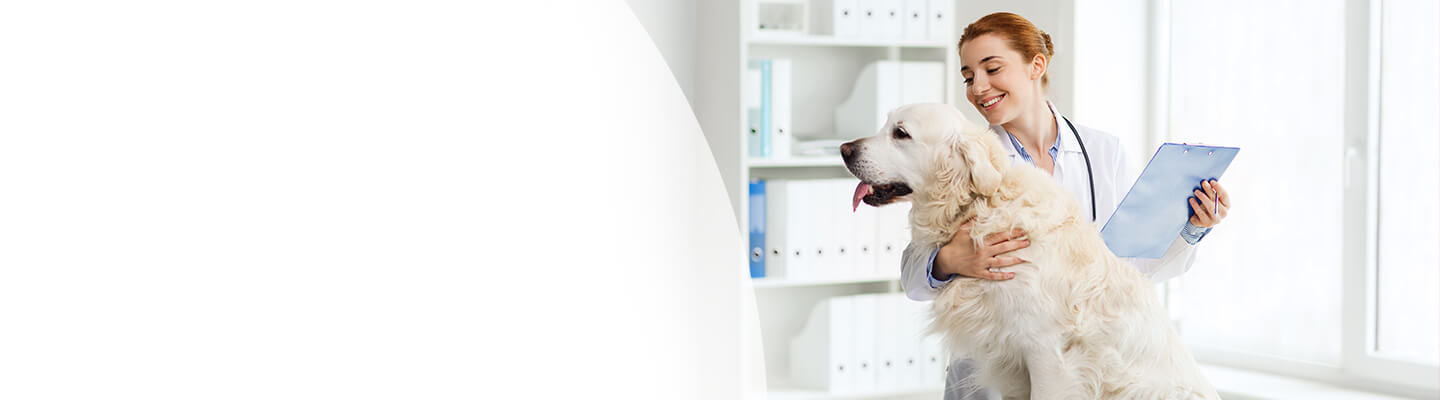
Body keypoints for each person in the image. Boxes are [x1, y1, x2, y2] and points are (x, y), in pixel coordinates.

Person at [898, 12, 1232, 400]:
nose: (978, 88)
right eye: (969, 77)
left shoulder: (1103, 151)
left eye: (992, 69)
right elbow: (910, 275)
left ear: (1036, 66)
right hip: (992, 377)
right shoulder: (963, 158)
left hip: (1082, 376)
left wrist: (1191, 227)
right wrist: (948, 261)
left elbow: (1129, 271)